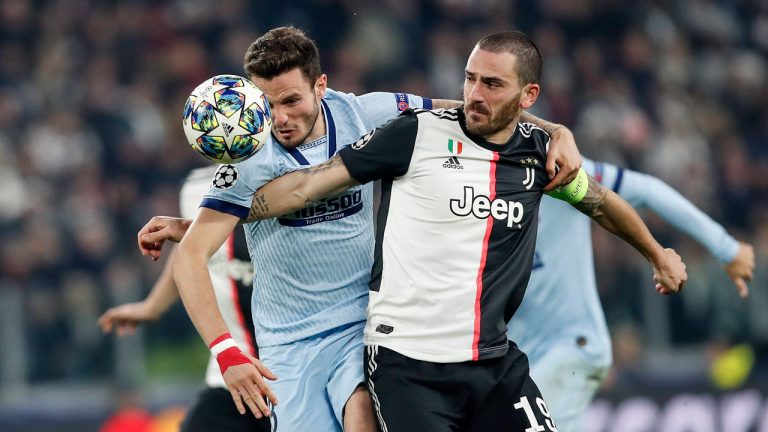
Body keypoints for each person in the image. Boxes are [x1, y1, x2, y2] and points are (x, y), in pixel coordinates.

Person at [151, 30, 687, 431]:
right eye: (267, 105)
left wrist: (555, 129)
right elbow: (201, 252)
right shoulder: (245, 158)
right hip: (288, 340)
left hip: (363, 322)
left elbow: (465, 113)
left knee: (362, 414)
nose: (280, 117)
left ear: (321, 86)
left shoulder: (370, 114)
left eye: (292, 101)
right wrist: (227, 350)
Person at [508, 157, 755, 431]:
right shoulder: (474, 190)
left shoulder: (556, 168)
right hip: (515, 360)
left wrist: (726, 248)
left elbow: (647, 190)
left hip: (570, 346)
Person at [99, 166, 271, 432]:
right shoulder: (194, 186)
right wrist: (152, 306)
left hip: (288, 370)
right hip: (229, 373)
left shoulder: (281, 173)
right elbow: (190, 252)